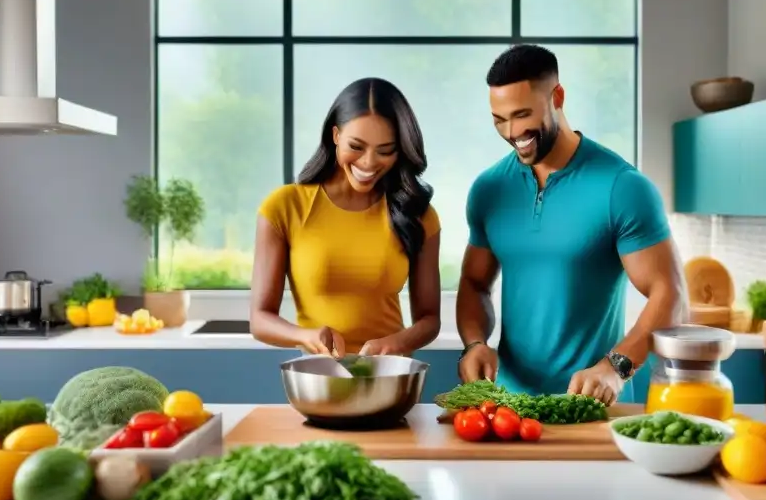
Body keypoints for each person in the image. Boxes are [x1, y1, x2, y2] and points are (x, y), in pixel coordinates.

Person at [456, 44, 687, 404]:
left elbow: (671, 295)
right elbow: (474, 282)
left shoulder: (621, 187)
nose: (512, 132)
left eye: (522, 115)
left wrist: (615, 366)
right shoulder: (489, 190)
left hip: (592, 407)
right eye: (499, 120)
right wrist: (474, 344)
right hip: (508, 409)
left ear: (557, 96)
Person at [250, 78, 442, 357]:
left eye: (385, 150)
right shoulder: (285, 207)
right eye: (356, 146)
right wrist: (305, 335)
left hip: (390, 377)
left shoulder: (417, 213)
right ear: (336, 135)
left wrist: (397, 342)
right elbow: (260, 319)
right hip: (318, 380)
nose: (368, 162)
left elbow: (429, 320)